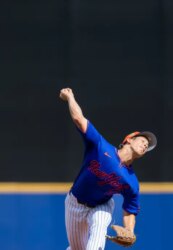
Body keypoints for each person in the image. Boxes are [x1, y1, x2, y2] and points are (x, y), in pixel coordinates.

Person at [59, 88, 157, 250]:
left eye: (147, 146)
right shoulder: (100, 147)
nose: (145, 145)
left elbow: (130, 209)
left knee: (100, 222)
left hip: (101, 205)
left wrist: (129, 230)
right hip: (75, 203)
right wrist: (70, 97)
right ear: (128, 140)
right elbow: (78, 118)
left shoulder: (131, 181)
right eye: (142, 140)